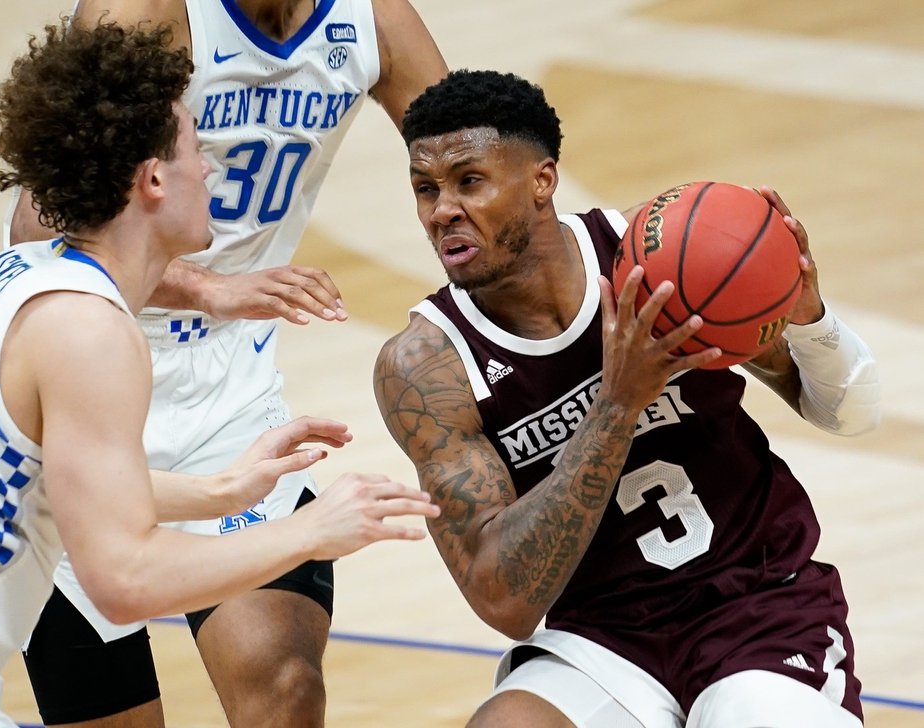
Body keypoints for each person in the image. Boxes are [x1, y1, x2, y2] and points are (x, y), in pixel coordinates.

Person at [0, 21, 438, 727]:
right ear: (151, 179)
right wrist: (313, 531)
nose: (210, 168)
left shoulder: (26, 275)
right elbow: (123, 580)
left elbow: (57, 487)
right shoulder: (90, 330)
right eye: (192, 149)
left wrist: (222, 491)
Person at [374, 70, 881, 728]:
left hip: (754, 606)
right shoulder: (427, 365)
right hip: (604, 640)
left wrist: (810, 320)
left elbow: (849, 412)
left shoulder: (661, 263)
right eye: (425, 189)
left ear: (541, 182)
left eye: (469, 181)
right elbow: (504, 602)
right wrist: (614, 409)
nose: (442, 210)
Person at [7, 1, 448, 726]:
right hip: (84, 371)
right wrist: (212, 287)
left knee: (285, 689)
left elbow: (476, 156)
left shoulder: (371, 21)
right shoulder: (146, 15)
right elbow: (39, 223)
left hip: (231, 390)